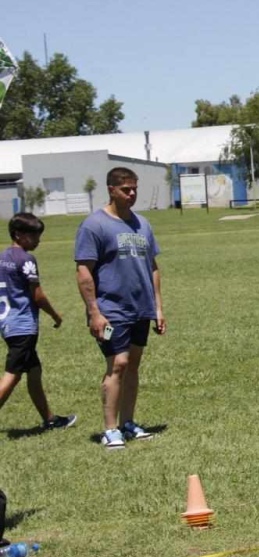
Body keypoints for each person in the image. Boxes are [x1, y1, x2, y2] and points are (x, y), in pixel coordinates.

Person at [75, 167, 165, 450]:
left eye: (134, 188)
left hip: (141, 307)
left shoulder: (143, 224)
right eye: (126, 189)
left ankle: (128, 423)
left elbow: (153, 268)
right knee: (118, 364)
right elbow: (84, 272)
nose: (132, 194)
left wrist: (158, 308)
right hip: (111, 309)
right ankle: (110, 429)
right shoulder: (94, 225)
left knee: (133, 365)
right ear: (111, 189)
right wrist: (94, 311)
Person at [0, 213, 75, 431]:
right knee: (12, 377)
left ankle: (50, 419)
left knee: (34, 372)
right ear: (19, 235)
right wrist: (55, 315)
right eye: (34, 236)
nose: (38, 241)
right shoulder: (26, 259)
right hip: (22, 326)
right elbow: (38, 296)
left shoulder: (3, 257)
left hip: (7, 323)